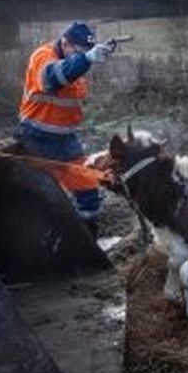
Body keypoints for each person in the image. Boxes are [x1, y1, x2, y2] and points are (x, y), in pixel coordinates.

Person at [18, 21, 114, 237]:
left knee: (88, 191)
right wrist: (87, 58)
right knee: (44, 195)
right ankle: (43, 240)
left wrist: (87, 58)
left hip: (66, 139)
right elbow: (53, 78)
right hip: (36, 138)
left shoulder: (76, 65)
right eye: (79, 51)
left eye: (87, 52)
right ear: (65, 43)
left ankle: (86, 239)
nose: (82, 56)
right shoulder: (43, 56)